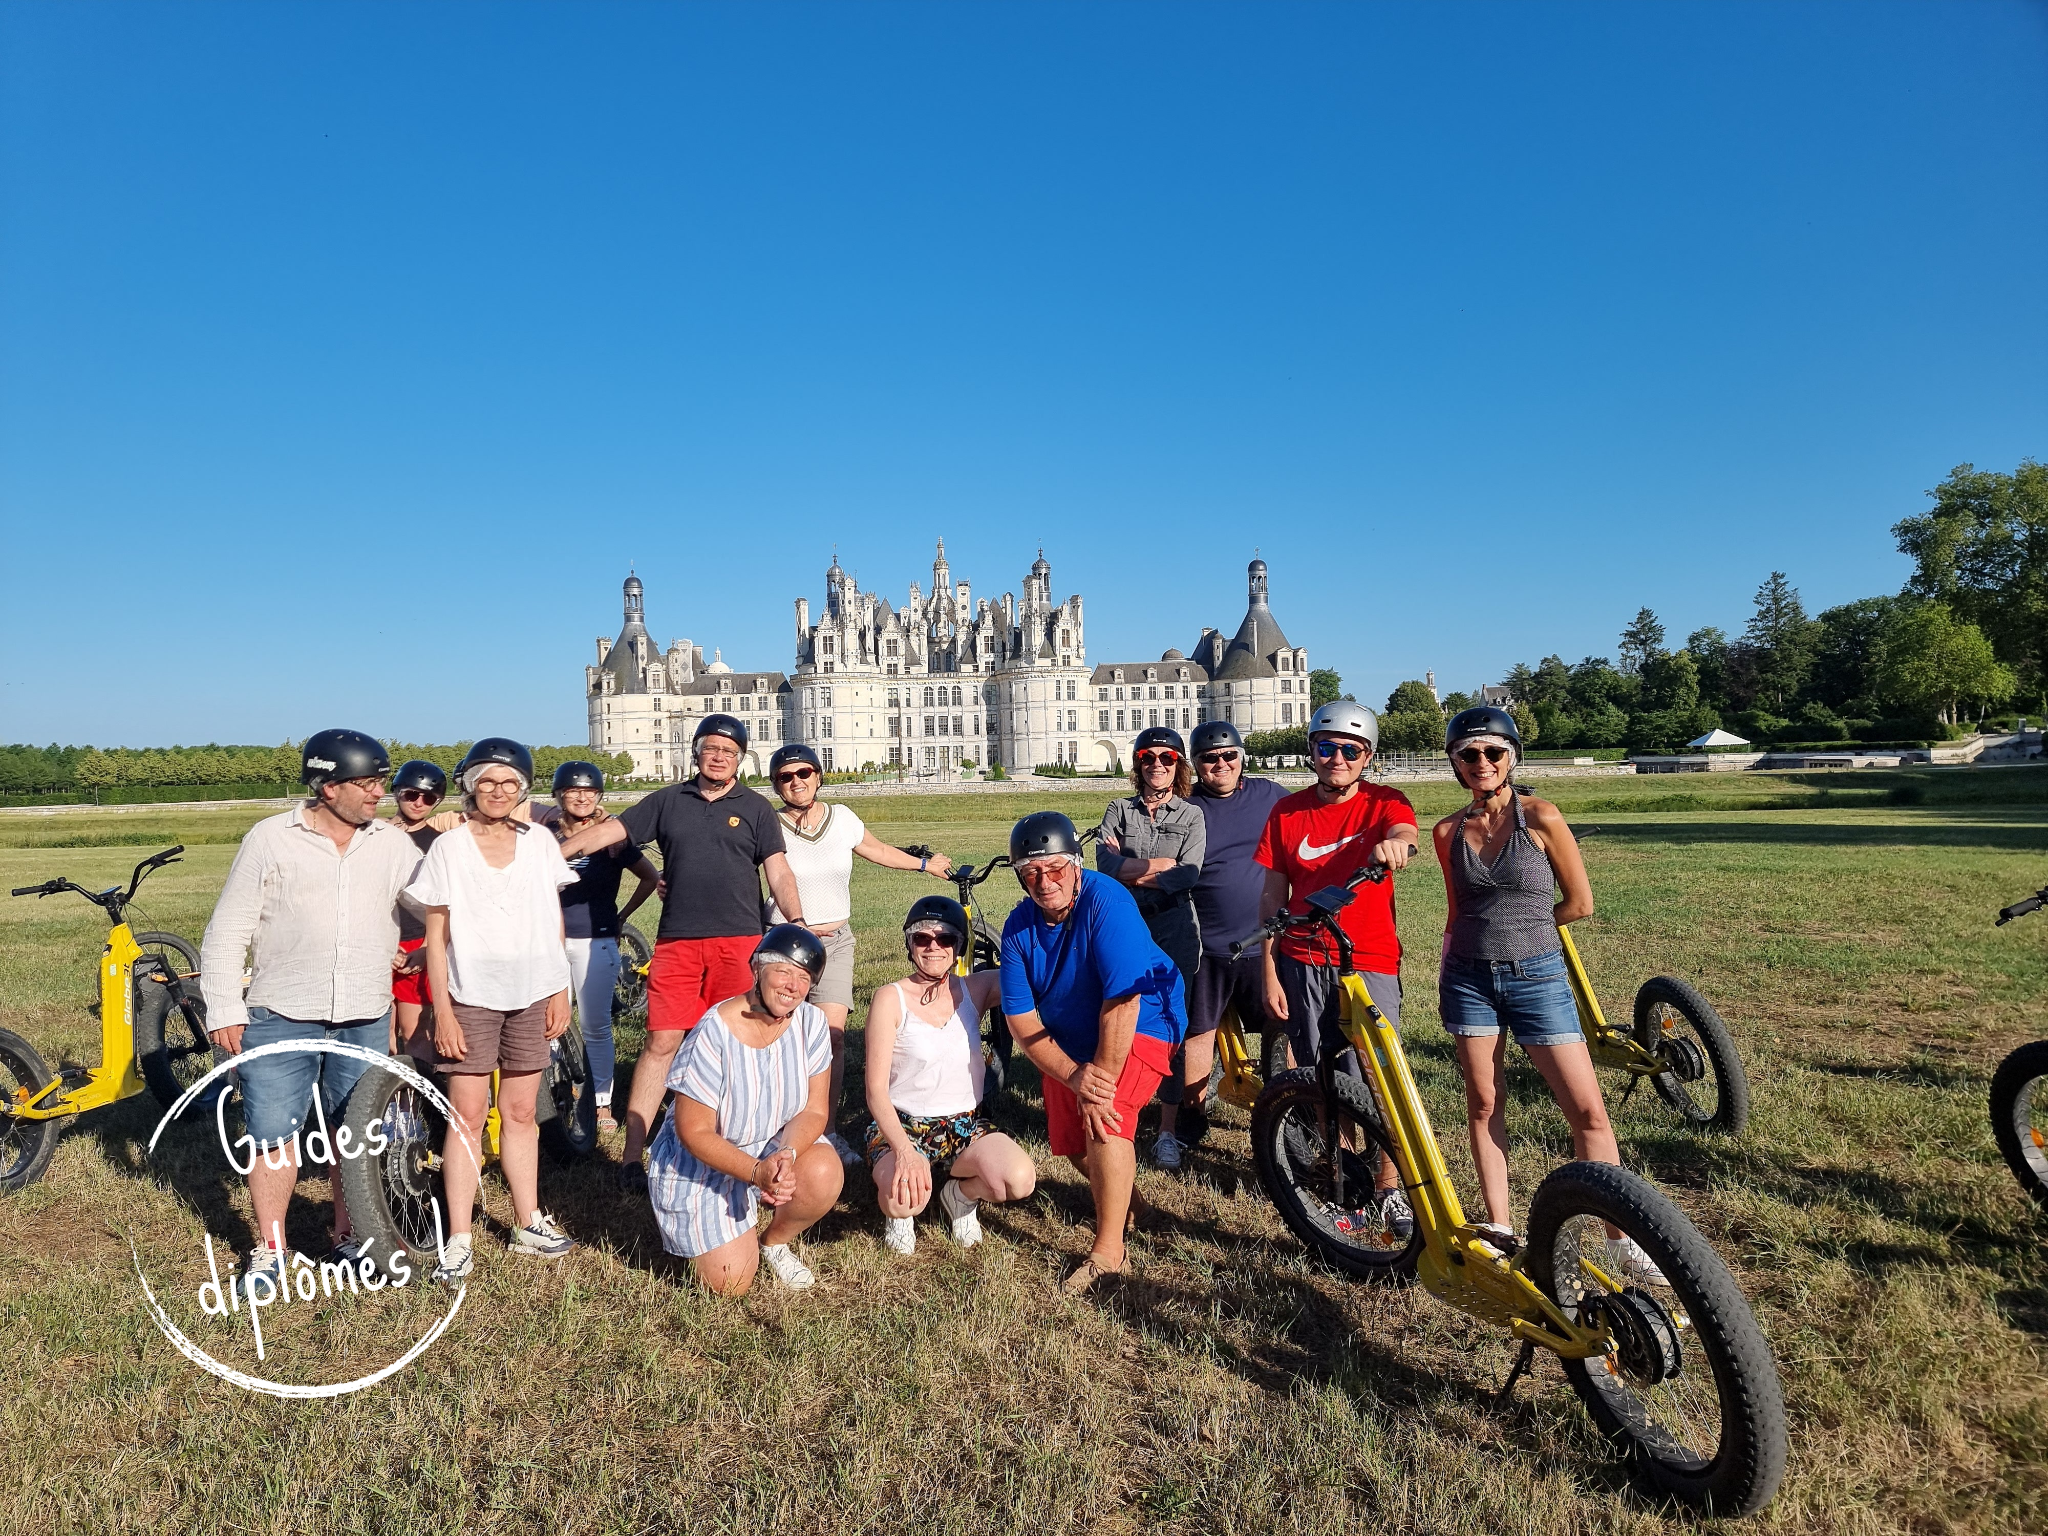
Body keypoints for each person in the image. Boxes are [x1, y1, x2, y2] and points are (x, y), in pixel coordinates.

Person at [1432, 706, 1665, 1283]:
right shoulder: (1447, 832)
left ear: (1512, 756)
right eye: (1469, 754)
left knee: (1586, 1109)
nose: (1481, 763)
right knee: (1485, 1102)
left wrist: (1531, 930)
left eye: (1493, 752)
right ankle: (1500, 1227)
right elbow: (1457, 910)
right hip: (1468, 979)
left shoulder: (1541, 818)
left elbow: (1580, 903)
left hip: (1538, 977)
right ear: (1455, 764)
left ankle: (1619, 1239)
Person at [200, 729, 422, 1295]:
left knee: (355, 1135)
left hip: (365, 1013)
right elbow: (228, 931)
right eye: (366, 782)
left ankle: (350, 1237)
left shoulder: (392, 845)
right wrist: (225, 1007)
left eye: (380, 780)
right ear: (326, 787)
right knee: (274, 1136)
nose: (379, 792)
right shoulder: (271, 839)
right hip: (281, 1013)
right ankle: (271, 1250)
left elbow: (431, 909)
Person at [556, 713, 805, 1190]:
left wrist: (795, 922)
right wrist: (550, 854)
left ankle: (735, 1150)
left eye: (729, 752)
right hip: (678, 942)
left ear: (740, 759)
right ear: (696, 751)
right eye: (711, 748)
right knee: (661, 1044)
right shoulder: (667, 801)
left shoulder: (755, 808)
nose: (719, 757)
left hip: (740, 942)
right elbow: (609, 834)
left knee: (738, 1045)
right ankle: (632, 1156)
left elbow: (779, 872)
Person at [404, 738, 580, 1281]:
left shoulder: (541, 844)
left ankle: (528, 1221)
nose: (498, 792)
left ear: (524, 788)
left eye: (510, 783)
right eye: (487, 781)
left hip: (532, 993)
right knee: (467, 1118)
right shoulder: (449, 849)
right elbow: (436, 938)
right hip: (471, 996)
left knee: (523, 1113)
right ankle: (458, 1236)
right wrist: (445, 1009)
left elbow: (553, 919)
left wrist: (560, 989)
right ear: (470, 786)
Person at [999, 812, 1186, 1295]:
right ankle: (1136, 1207)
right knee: (1068, 1141)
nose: (1045, 881)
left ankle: (1108, 1251)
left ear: (1076, 866)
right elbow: (1021, 1020)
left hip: (1144, 1017)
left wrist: (1098, 1082)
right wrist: (1073, 1074)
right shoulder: (1018, 928)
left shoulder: (1108, 900)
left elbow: (1124, 999)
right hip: (1072, 1034)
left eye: (1056, 868)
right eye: (1032, 872)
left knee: (1107, 1118)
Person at [1256, 700, 1420, 1242]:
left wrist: (1397, 845)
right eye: (1327, 747)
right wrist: (1269, 968)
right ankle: (1338, 1171)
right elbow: (1272, 897)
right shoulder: (1288, 813)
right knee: (1323, 1076)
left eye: (1351, 750)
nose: (1338, 758)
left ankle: (1390, 1184)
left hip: (1367, 959)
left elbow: (1405, 833)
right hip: (1302, 957)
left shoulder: (1385, 802)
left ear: (1367, 757)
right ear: (1312, 751)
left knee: (1378, 1074)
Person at [764, 741, 954, 1166]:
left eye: (804, 773)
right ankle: (775, 1127)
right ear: (776, 785)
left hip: (835, 942)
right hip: (784, 944)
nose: (796, 782)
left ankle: (826, 1130)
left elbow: (879, 851)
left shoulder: (842, 818)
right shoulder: (768, 824)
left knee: (831, 1040)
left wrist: (925, 866)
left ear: (817, 775)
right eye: (785, 777)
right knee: (779, 1037)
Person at [648, 924, 844, 1294]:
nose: (793, 986)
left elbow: (815, 1111)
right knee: (730, 1281)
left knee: (822, 1170)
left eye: (804, 978)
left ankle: (772, 1241)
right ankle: (728, 1230)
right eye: (783, 971)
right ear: (757, 968)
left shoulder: (812, 1022)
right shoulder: (713, 1031)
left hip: (767, 1144)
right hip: (700, 1165)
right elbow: (694, 1131)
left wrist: (787, 1155)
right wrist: (756, 1172)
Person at [864, 895, 1036, 1255]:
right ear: (909, 943)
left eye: (945, 939)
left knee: (1018, 1180)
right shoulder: (889, 998)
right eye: (922, 938)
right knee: (904, 1199)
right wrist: (905, 1152)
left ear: (959, 946)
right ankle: (902, 1213)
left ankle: (959, 1196)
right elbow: (875, 1091)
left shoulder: (976, 987)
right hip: (904, 1124)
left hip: (965, 1124)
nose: (934, 947)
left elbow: (1033, 973)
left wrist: (1033, 917)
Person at [1093, 726, 1206, 1170]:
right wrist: (1159, 865)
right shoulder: (1119, 809)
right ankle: (1122, 1112)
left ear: (1179, 765)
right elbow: (1104, 864)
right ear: (1136, 763)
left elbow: (1189, 873)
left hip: (1175, 927)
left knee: (1172, 1029)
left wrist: (1133, 870)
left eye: (1167, 757)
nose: (1156, 764)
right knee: (1118, 1018)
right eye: (1147, 757)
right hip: (1127, 926)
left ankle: (1166, 1130)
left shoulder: (1192, 815)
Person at [1176, 719, 1289, 1150]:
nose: (1220, 764)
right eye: (1209, 758)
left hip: (1265, 941)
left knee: (1282, 1025)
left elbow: (1314, 819)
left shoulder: (1270, 795)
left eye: (1229, 756)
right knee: (1198, 1033)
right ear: (1196, 764)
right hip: (1208, 943)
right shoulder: (1186, 807)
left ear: (1242, 757)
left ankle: (1286, 1108)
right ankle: (1192, 1114)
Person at [534, 760, 658, 1135]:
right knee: (550, 1026)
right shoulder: (543, 837)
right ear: (558, 795)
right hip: (549, 944)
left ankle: (601, 1102)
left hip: (597, 942)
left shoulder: (612, 837)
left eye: (590, 791)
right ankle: (554, 1097)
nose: (582, 797)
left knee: (595, 1026)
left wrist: (622, 917)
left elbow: (651, 878)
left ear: (599, 796)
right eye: (574, 790)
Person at [386, 758, 448, 1062]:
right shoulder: (373, 837)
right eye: (412, 794)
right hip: (378, 941)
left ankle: (415, 1104)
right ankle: (381, 1104)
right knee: (379, 1033)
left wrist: (426, 948)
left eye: (429, 798)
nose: (419, 802)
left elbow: (447, 902)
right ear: (397, 792)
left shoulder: (440, 844)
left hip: (417, 942)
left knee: (415, 1031)